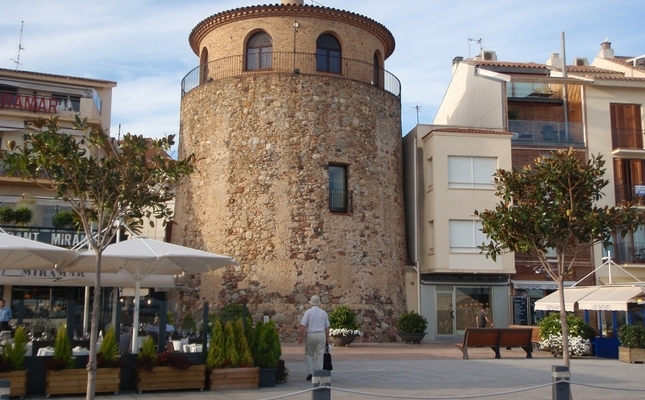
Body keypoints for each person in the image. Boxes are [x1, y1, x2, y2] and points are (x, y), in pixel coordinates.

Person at [298, 295, 330, 381]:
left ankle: (310, 373)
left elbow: (303, 325)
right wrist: (327, 338)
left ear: (311, 303)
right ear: (319, 303)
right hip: (321, 334)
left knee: (309, 354)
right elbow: (327, 327)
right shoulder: (323, 313)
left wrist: (300, 336)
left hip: (311, 334)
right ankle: (319, 373)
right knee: (320, 354)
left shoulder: (308, 312)